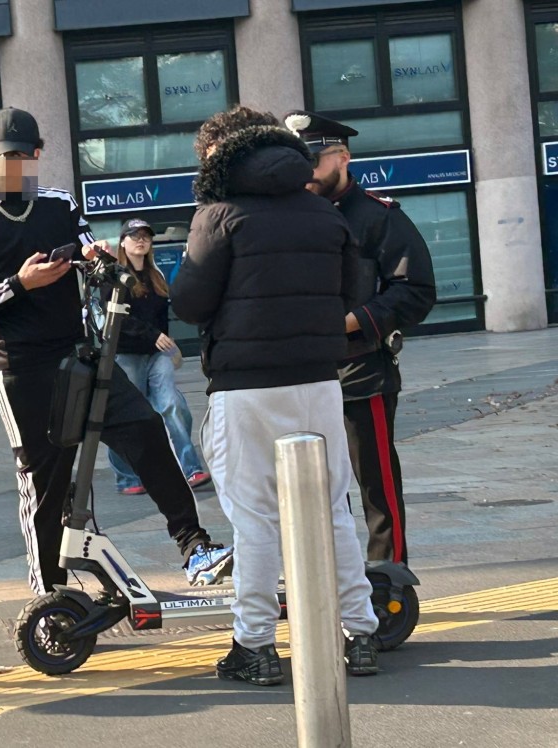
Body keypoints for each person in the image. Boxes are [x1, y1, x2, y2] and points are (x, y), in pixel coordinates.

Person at [0, 107, 232, 595]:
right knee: (45, 481)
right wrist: (20, 283)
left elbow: (86, 250)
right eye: (5, 157)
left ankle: (195, 546)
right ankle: (50, 593)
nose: (14, 165)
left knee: (148, 434)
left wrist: (92, 257)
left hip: (81, 354)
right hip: (22, 368)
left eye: (23, 155)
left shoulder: (60, 203)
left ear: (38, 154)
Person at [172, 106, 379, 686]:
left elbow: (189, 302)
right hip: (318, 380)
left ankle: (255, 645)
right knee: (334, 509)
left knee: (256, 520)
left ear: (220, 157)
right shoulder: (322, 212)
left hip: (245, 387)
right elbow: (348, 290)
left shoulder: (219, 215)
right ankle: (360, 634)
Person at [284, 111, 437, 566]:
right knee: (315, 491)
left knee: (377, 485)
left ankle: (390, 584)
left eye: (313, 160)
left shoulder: (377, 216)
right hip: (300, 374)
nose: (306, 171)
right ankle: (332, 583)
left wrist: (351, 322)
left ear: (343, 158)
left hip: (360, 370)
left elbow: (415, 291)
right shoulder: (286, 217)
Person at [104, 217, 211, 496]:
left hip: (156, 355)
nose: (141, 240)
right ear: (123, 243)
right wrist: (153, 335)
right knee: (126, 416)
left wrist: (164, 341)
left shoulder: (157, 277)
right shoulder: (115, 277)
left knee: (172, 404)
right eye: (134, 236)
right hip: (127, 355)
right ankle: (127, 477)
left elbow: (161, 317)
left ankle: (190, 469)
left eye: (146, 236)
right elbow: (118, 320)